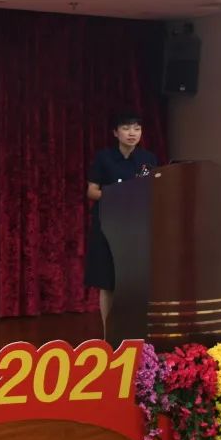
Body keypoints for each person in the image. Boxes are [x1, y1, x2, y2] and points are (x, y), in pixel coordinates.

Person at [84, 110, 159, 338]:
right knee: (107, 282)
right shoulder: (104, 158)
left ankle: (133, 333)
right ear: (116, 133)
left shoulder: (148, 159)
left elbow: (149, 187)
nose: (132, 133)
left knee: (133, 284)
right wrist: (117, 195)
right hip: (107, 226)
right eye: (126, 128)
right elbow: (92, 191)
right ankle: (109, 335)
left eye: (137, 128)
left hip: (135, 227)